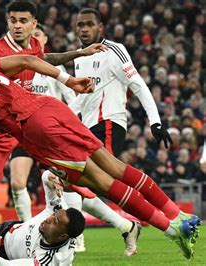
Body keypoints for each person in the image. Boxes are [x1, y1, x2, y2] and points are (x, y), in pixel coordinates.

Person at [0, 54, 200, 259]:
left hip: (34, 127)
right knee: (113, 167)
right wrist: (67, 80)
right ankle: (177, 217)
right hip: (49, 107)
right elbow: (28, 61)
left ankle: (171, 227)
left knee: (100, 182)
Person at [0, 1, 105, 260]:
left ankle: (86, 187)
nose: (17, 25)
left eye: (23, 21)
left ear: (34, 24)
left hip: (23, 123)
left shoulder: (34, 45)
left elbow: (41, 59)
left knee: (61, 157)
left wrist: (79, 53)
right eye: (13, 20)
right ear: (7, 22)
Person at [31, 24, 141, 256]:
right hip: (35, 134)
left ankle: (74, 238)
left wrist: (63, 122)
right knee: (72, 184)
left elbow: (74, 96)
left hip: (57, 132)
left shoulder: (55, 66)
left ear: (45, 38)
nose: (33, 38)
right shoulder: (23, 65)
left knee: (65, 179)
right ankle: (125, 225)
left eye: (37, 34)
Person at [70, 8, 172, 156]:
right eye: (80, 25)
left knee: (102, 174)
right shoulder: (79, 56)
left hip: (109, 124)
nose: (84, 29)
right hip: (87, 128)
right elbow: (84, 96)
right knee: (92, 177)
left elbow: (138, 85)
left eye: (89, 24)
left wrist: (155, 121)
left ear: (100, 27)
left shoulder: (114, 51)